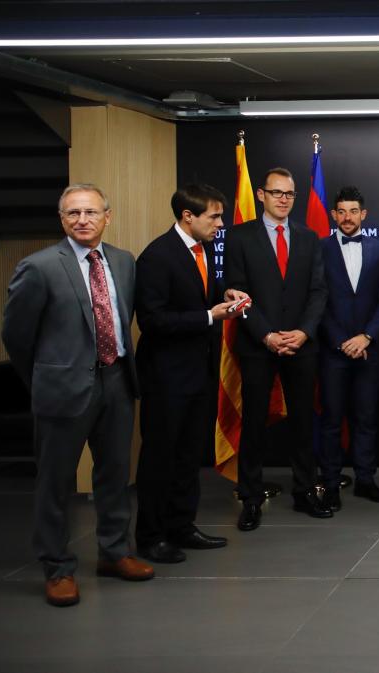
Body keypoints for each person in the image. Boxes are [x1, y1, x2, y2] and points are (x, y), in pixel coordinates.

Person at [2, 183, 154, 606]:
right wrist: (46, 379)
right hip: (62, 391)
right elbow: (16, 336)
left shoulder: (123, 262)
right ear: (62, 220)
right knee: (55, 483)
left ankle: (115, 552)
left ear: (108, 216)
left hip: (117, 383)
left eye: (90, 212)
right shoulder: (40, 266)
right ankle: (57, 567)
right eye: (73, 214)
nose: (82, 220)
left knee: (114, 475)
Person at [134, 184, 244, 564]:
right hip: (166, 378)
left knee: (187, 457)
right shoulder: (156, 257)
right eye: (214, 216)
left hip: (198, 373)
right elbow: (152, 320)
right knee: (160, 459)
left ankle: (181, 526)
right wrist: (208, 316)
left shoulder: (203, 247)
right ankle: (150, 536)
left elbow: (201, 295)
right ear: (187, 217)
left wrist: (223, 295)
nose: (220, 223)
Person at [224, 167, 330, 530]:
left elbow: (318, 291)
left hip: (301, 345)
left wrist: (303, 332)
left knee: (303, 423)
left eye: (289, 194)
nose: (284, 199)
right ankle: (250, 498)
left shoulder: (309, 236)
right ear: (260, 195)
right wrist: (266, 334)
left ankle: (304, 492)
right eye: (277, 193)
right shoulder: (239, 237)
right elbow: (236, 291)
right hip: (258, 345)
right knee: (254, 423)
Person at [318, 186, 379, 508]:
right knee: (332, 421)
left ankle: (366, 479)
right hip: (332, 351)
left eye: (353, 211)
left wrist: (367, 336)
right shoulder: (319, 249)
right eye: (341, 212)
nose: (347, 217)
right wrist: (341, 341)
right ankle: (331, 483)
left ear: (363, 214)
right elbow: (316, 299)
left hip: (370, 350)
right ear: (334, 215)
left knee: (366, 419)